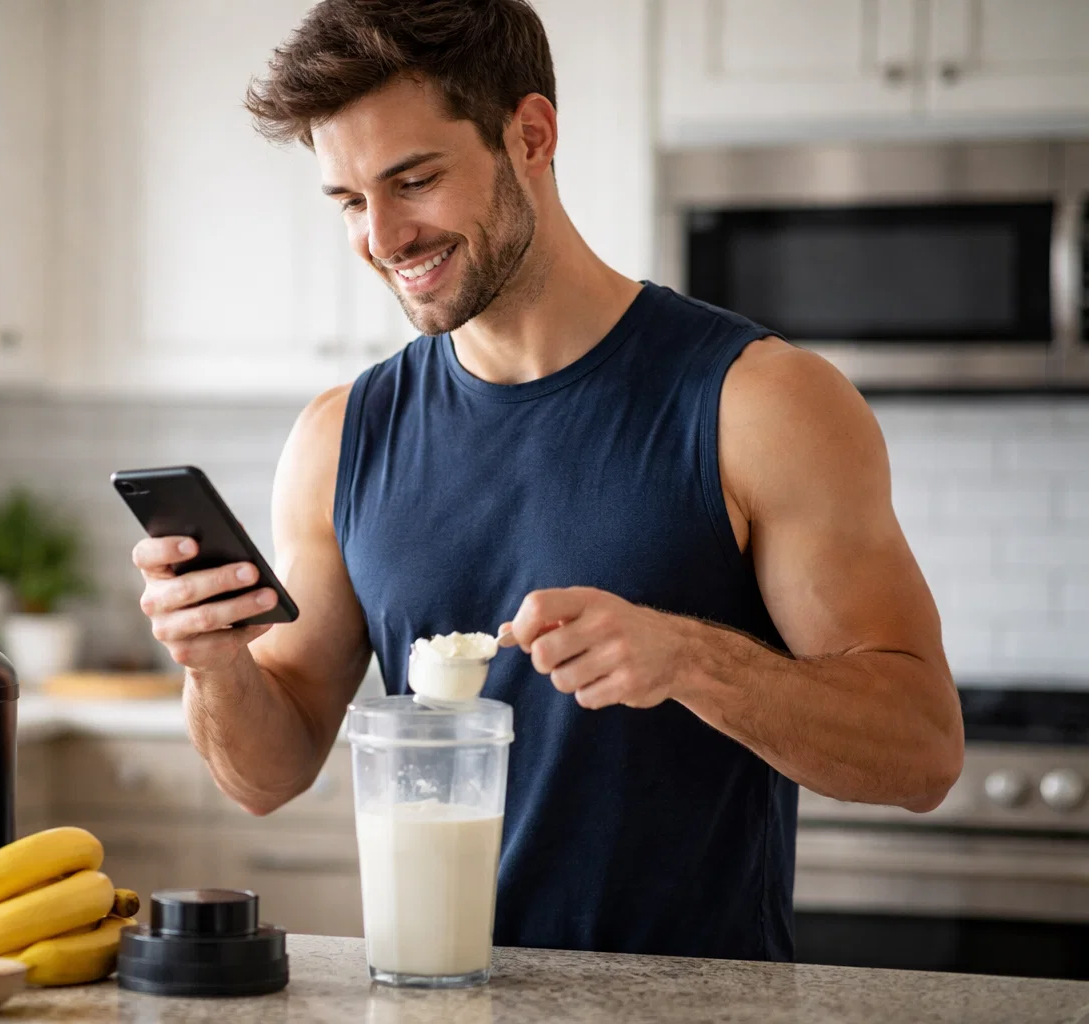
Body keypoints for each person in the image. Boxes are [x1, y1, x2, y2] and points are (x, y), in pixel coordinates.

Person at [130, 0, 963, 961]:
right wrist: (214, 663)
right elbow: (265, 776)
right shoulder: (340, 437)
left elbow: (922, 752)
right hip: (431, 998)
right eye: (351, 201)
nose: (384, 237)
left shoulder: (759, 402)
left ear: (530, 135)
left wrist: (692, 660)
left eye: (415, 180)